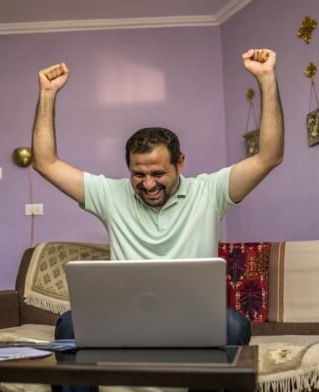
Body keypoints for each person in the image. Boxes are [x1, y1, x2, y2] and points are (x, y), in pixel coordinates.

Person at [32, 48, 284, 392]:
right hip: (123, 319)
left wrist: (267, 79)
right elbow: (45, 163)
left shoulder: (210, 191)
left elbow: (269, 156)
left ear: (180, 163)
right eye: (138, 174)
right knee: (69, 326)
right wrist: (47, 95)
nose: (148, 184)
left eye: (158, 173)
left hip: (193, 320)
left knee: (233, 324)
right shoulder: (110, 194)